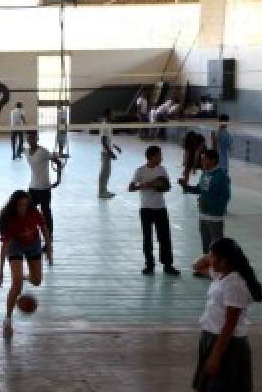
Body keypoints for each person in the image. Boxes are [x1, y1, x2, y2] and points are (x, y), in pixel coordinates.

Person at [191, 237, 262, 392]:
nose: (210, 261)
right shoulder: (222, 274)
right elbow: (197, 267)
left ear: (224, 261)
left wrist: (215, 355)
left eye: (213, 257)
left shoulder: (235, 284)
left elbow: (230, 324)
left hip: (225, 344)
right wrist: (211, 254)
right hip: (214, 338)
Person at [0, 190, 51, 336]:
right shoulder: (10, 222)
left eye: (26, 204)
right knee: (16, 285)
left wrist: (49, 249)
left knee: (37, 281)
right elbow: (4, 248)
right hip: (15, 246)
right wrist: (0, 272)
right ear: (14, 206)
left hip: (33, 244)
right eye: (20, 205)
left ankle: (25, 276)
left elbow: (44, 229)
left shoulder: (34, 213)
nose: (23, 208)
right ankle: (7, 319)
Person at [179, 148, 231, 275]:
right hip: (203, 216)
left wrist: (209, 203)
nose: (202, 161)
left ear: (212, 160)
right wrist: (186, 186)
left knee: (216, 246)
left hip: (214, 217)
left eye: (204, 159)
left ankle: (218, 270)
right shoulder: (205, 174)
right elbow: (199, 189)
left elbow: (225, 197)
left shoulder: (221, 176)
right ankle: (207, 268)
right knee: (206, 244)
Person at [130, 145, 178, 276]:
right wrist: (149, 184)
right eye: (159, 155)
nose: (161, 158)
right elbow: (131, 187)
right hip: (146, 208)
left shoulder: (162, 170)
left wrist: (160, 185)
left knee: (164, 237)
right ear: (151, 157)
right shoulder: (140, 171)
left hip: (160, 208)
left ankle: (168, 265)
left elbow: (167, 186)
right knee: (147, 237)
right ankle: (149, 264)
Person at [24, 131, 61, 240]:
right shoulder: (26, 152)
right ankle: (31, 236)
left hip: (44, 188)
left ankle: (49, 239)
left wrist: (58, 179)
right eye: (29, 138)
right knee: (29, 212)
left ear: (37, 139)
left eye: (33, 138)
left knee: (46, 214)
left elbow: (57, 162)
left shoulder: (43, 151)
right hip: (32, 188)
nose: (31, 140)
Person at [98, 109, 122, 198]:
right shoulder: (105, 126)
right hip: (105, 153)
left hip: (107, 152)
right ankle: (101, 192)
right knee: (104, 173)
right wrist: (110, 152)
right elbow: (103, 141)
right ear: (107, 115)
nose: (113, 116)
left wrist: (116, 147)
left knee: (107, 173)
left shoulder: (108, 125)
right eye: (111, 114)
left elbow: (109, 140)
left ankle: (104, 190)